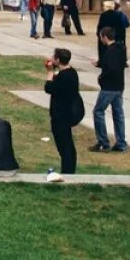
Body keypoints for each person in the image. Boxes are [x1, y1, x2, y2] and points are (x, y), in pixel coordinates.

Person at [44, 48, 84, 177]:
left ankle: (68, 172)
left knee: (64, 146)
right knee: (67, 145)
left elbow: (49, 88)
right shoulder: (71, 73)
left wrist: (50, 73)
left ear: (58, 60)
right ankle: (68, 169)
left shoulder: (63, 77)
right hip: (67, 114)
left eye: (54, 57)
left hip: (61, 116)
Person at [90, 27, 127, 152]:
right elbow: (119, 64)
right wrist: (100, 64)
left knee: (98, 111)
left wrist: (101, 77)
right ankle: (121, 142)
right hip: (119, 86)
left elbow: (111, 68)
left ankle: (103, 142)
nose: (101, 39)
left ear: (105, 37)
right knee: (118, 114)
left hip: (109, 87)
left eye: (101, 37)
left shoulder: (110, 51)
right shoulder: (121, 48)